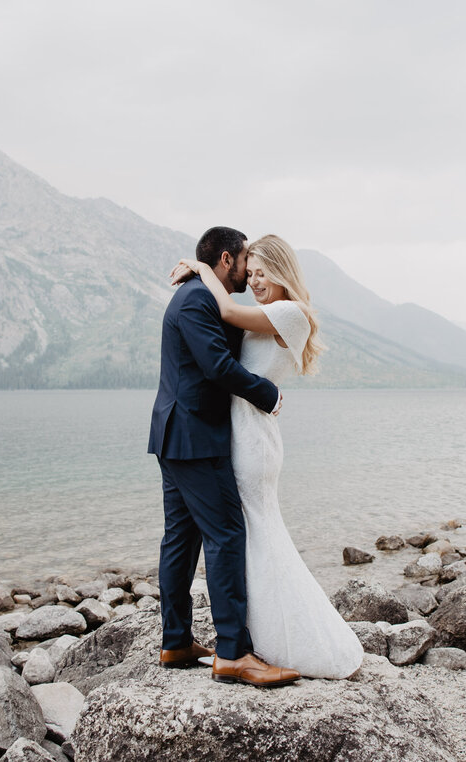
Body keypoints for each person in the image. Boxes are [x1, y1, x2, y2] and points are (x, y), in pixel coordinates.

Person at [170, 234, 364, 679]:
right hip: (237, 431)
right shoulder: (266, 313)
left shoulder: (291, 313)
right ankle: (251, 638)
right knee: (252, 537)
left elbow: (226, 312)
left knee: (249, 535)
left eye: (263, 274)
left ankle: (266, 642)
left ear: (282, 275)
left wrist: (202, 271)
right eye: (250, 272)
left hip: (252, 439)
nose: (255, 281)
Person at [147, 226, 301, 688]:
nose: (248, 275)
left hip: (179, 436)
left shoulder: (201, 293)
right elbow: (216, 366)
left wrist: (197, 268)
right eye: (245, 265)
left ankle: (176, 642)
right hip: (194, 437)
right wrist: (267, 393)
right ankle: (233, 652)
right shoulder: (196, 300)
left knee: (182, 538)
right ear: (228, 260)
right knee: (226, 534)